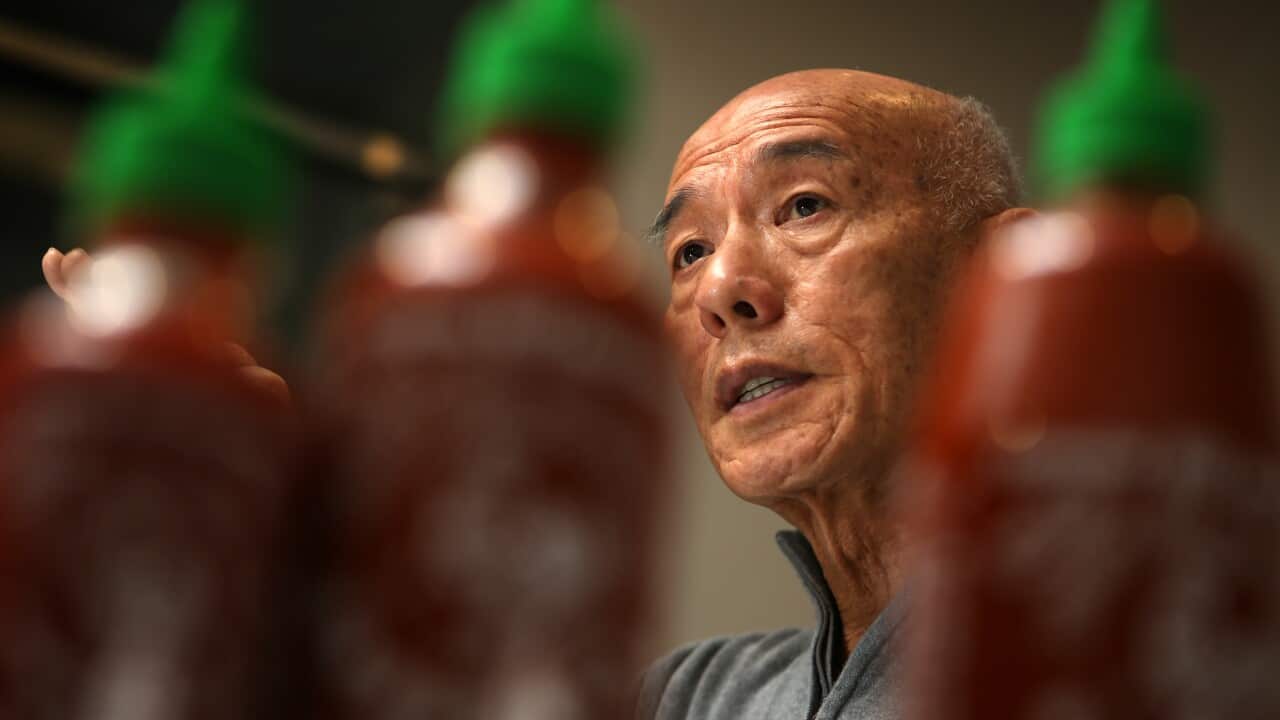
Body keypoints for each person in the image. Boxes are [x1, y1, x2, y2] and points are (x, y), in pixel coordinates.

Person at [636, 68, 1030, 720]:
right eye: (691, 251)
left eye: (804, 206)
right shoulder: (684, 699)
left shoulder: (1146, 674)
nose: (721, 290)